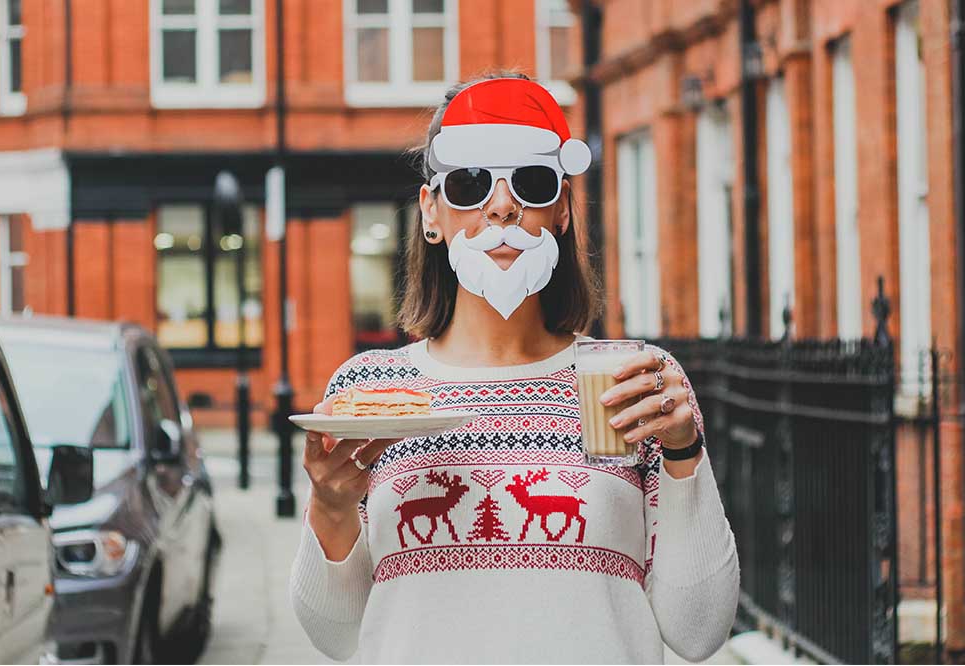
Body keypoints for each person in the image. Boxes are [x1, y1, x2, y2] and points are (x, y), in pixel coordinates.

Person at [290, 72, 739, 664]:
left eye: (530, 182)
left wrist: (684, 452)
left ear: (561, 213)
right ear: (431, 212)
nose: (502, 206)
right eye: (471, 185)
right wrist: (329, 505)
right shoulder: (372, 391)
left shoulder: (632, 384)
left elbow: (698, 630)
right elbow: (337, 635)